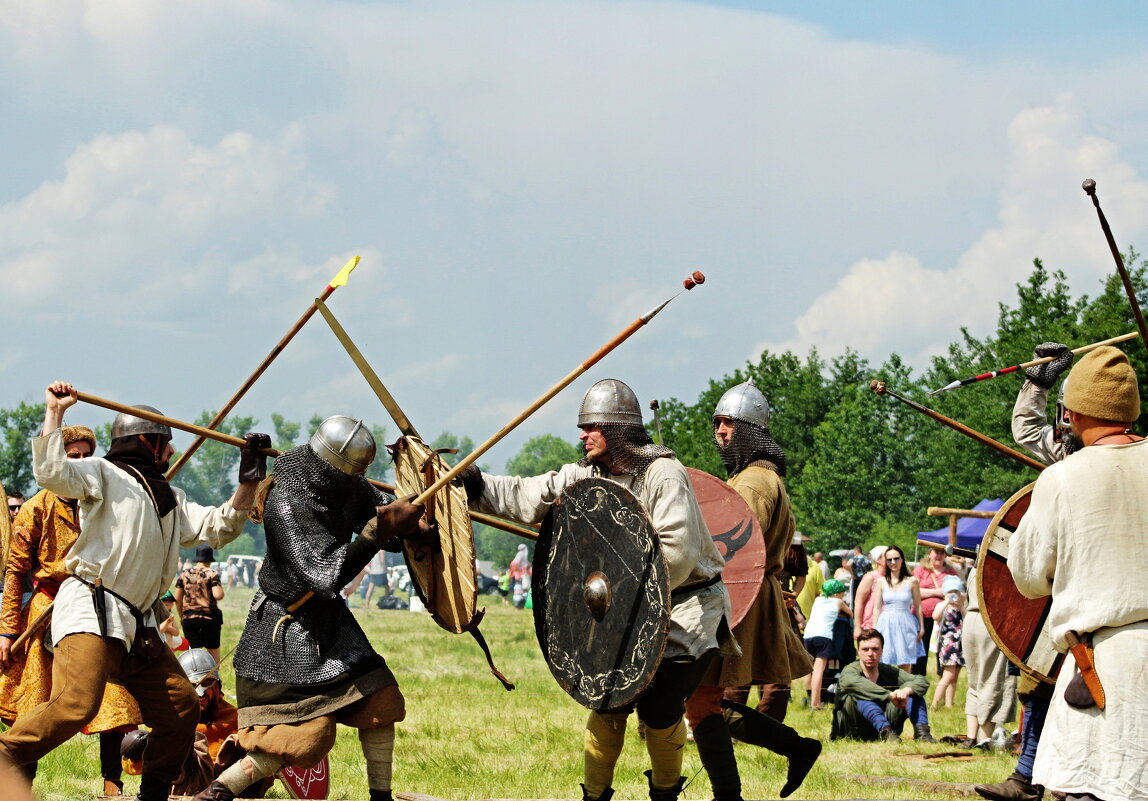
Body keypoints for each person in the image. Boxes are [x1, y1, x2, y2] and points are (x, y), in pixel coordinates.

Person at [462, 378, 733, 801]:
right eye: (582, 427)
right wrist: (474, 483)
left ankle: (664, 794)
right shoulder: (585, 474)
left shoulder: (663, 473)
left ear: (619, 430)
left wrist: (619, 588)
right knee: (607, 701)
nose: (583, 435)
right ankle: (594, 796)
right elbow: (527, 495)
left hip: (686, 607)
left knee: (660, 707)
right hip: (621, 611)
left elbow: (676, 554)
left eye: (593, 427)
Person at [0, 382, 265, 801]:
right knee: (76, 705)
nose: (172, 453)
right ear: (147, 441)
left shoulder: (172, 497)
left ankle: (153, 795)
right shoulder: (102, 473)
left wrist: (248, 476)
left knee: (181, 709)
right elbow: (51, 473)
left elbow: (220, 527)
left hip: (139, 626)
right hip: (91, 610)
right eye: (166, 445)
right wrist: (55, 413)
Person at [193, 416, 427, 801]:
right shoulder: (288, 500)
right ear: (329, 465)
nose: (354, 483)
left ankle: (380, 796)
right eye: (349, 476)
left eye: (357, 477)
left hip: (330, 623)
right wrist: (378, 530)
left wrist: (412, 517)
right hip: (285, 631)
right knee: (302, 739)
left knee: (381, 698)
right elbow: (324, 573)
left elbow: (381, 512)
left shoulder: (342, 482)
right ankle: (219, 791)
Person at [1007, 346, 1146, 801]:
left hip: (1104, 664)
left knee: (1096, 787)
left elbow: (1027, 576)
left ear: (1071, 411)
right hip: (1107, 663)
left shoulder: (1063, 477)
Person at [683, 380, 820, 801]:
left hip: (741, 598)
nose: (720, 430)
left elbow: (738, 549)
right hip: (747, 595)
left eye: (729, 423)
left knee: (698, 700)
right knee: (700, 700)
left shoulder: (755, 483)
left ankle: (732, 791)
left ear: (750, 429)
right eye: (717, 423)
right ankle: (793, 749)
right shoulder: (753, 477)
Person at [0, 425, 143, 797]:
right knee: (33, 704)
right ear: (60, 461)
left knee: (110, 696)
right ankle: (18, 784)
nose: (80, 463)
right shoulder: (34, 508)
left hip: (96, 607)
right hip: (47, 608)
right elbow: (15, 573)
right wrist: (6, 631)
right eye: (72, 457)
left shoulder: (103, 504)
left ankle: (113, 784)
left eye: (85, 456)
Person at [975, 341, 1075, 801]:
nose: (1067, 423)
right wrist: (1039, 381)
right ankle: (1027, 775)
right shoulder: (1067, 457)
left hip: (1114, 599)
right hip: (1065, 593)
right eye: (1066, 413)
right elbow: (1028, 427)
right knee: (1039, 679)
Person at [831, 628, 935, 742]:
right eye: (865, 649)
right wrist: (890, 695)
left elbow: (920, 680)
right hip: (855, 730)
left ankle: (923, 735)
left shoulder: (887, 670)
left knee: (914, 692)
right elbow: (858, 685)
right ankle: (886, 733)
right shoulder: (849, 671)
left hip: (887, 728)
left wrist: (906, 691)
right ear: (858, 651)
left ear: (882, 650)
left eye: (875, 649)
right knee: (858, 693)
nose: (870, 654)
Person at [873, 545, 924, 670]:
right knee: (883, 662)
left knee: (905, 662)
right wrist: (874, 628)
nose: (893, 562)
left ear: (902, 560)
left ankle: (903, 688)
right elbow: (877, 607)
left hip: (905, 623)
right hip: (886, 623)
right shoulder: (881, 581)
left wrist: (921, 627)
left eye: (896, 559)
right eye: (889, 560)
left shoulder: (912, 581)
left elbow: (918, 606)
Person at [804, 579, 852, 711]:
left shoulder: (818, 600)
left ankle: (807, 698)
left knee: (809, 670)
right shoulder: (838, 602)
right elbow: (850, 613)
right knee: (818, 671)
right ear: (836, 594)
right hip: (823, 636)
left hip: (808, 635)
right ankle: (815, 704)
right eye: (842, 593)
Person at [912, 547, 958, 675]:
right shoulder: (921, 570)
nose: (939, 555)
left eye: (942, 552)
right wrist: (938, 592)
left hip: (945, 618)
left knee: (943, 649)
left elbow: (955, 593)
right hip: (922, 617)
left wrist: (926, 592)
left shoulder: (951, 572)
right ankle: (918, 680)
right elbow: (914, 591)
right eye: (936, 552)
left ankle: (943, 676)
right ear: (929, 554)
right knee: (921, 650)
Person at [175, 545, 225, 662]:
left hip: (189, 617)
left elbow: (177, 598)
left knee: (193, 653)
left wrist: (182, 616)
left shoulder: (184, 574)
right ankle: (214, 677)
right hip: (210, 618)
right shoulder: (212, 574)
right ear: (209, 560)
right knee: (213, 651)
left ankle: (193, 678)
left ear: (197, 559)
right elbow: (218, 595)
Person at [930, 574, 965, 709]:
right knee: (947, 675)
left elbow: (968, 619)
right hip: (947, 644)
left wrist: (961, 606)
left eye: (956, 592)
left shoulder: (960, 607)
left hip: (959, 645)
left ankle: (949, 704)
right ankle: (935, 703)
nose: (954, 595)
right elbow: (935, 616)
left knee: (954, 676)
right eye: (950, 592)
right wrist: (946, 602)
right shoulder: (943, 606)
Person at [852, 546, 887, 637]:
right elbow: (859, 601)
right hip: (871, 624)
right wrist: (857, 627)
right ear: (878, 560)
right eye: (887, 557)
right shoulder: (871, 577)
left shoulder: (893, 578)